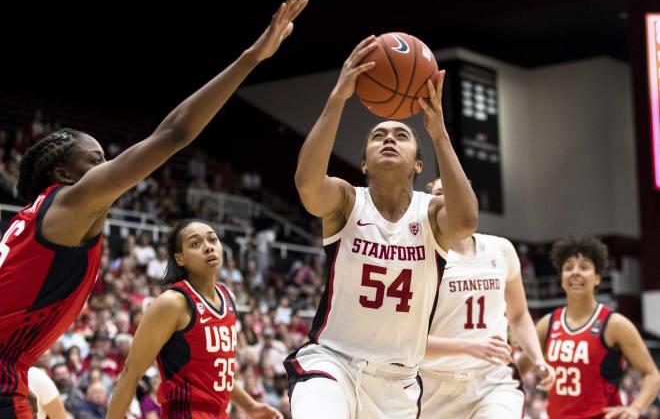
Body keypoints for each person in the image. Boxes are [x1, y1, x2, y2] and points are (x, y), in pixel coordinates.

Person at [0, 0, 307, 419]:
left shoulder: (32, 224)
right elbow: (174, 134)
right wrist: (252, 57)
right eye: (96, 160)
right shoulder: (72, 201)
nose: (110, 168)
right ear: (65, 176)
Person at [288, 36, 478, 418]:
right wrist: (338, 99)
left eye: (402, 135)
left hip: (398, 382)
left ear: (418, 165)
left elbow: (466, 221)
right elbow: (308, 186)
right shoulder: (346, 201)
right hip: (332, 364)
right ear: (364, 163)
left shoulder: (431, 214)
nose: (389, 138)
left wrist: (439, 133)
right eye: (378, 136)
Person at [107, 220, 284, 419]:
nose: (208, 246)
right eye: (195, 243)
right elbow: (131, 372)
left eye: (212, 239)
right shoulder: (173, 303)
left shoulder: (229, 298)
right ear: (180, 259)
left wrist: (251, 406)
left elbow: (215, 373)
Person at [419, 178, 555, 418]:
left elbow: (519, 314)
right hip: (433, 386)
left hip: (492, 380)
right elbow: (408, 341)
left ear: (471, 201)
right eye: (441, 193)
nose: (451, 198)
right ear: (430, 204)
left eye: (458, 192)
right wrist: (469, 346)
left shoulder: (501, 249)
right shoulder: (420, 257)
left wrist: (537, 359)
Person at [518, 235, 660, 419]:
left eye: (584, 267)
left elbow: (652, 374)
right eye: (568, 267)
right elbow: (519, 370)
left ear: (598, 278)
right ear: (562, 278)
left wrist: (635, 408)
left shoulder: (615, 324)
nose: (575, 272)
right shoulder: (547, 324)